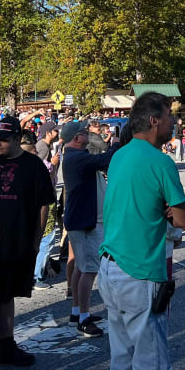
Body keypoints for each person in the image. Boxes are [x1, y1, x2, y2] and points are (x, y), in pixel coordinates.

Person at [98, 92, 185, 370]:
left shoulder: (119, 155)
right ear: (154, 121)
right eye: (169, 116)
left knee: (122, 359)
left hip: (110, 265)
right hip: (140, 271)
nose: (174, 122)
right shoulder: (160, 162)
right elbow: (184, 219)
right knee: (151, 365)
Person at [0, 116, 55, 367]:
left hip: (15, 240)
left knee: (5, 296)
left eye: (3, 139)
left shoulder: (33, 165)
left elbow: (44, 204)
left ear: (18, 138)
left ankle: (6, 345)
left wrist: (36, 239)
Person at [61, 120, 118, 337]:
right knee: (89, 269)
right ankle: (84, 318)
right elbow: (105, 160)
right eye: (84, 132)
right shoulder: (77, 157)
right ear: (76, 138)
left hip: (81, 220)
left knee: (80, 267)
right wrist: (114, 144)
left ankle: (77, 311)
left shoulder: (74, 156)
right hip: (86, 222)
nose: (88, 134)